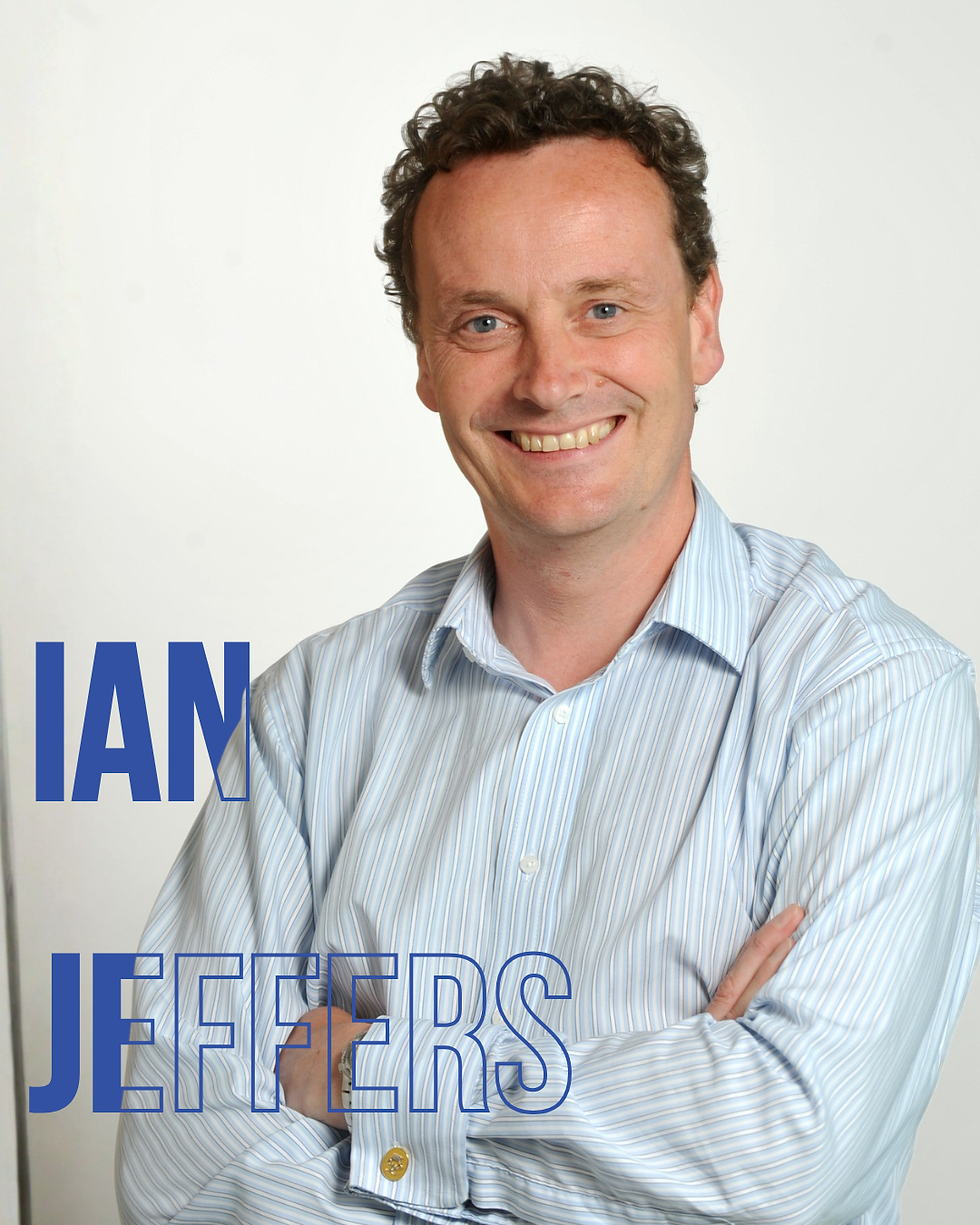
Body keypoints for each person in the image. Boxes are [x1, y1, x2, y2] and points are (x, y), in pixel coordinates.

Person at [117, 56, 979, 1225]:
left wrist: (367, 1076)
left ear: (703, 320)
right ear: (424, 357)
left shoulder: (875, 697)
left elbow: (780, 1161)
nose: (549, 376)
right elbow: (183, 1171)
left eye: (602, 306)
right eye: (483, 321)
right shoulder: (306, 716)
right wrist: (657, 1111)